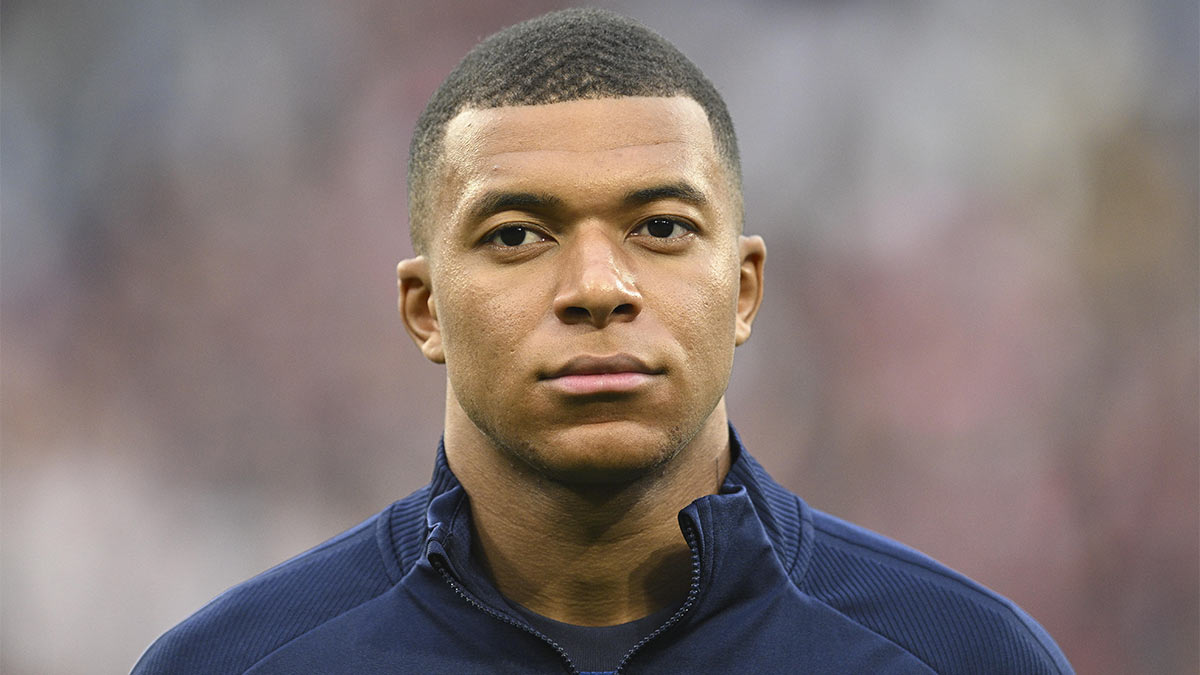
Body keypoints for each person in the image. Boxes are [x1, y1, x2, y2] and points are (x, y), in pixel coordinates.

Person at [133, 8, 1073, 674]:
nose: (596, 288)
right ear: (424, 308)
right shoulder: (232, 663)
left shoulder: (965, 656)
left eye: (661, 227)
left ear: (744, 290)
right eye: (516, 235)